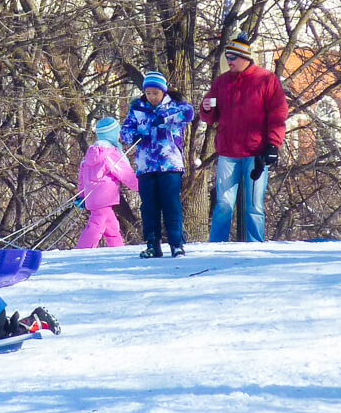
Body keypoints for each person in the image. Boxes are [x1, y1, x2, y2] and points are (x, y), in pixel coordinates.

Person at [200, 34, 288, 242]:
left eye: (232, 57)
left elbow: (278, 114)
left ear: (245, 57)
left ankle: (255, 244)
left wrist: (273, 145)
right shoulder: (221, 82)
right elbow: (210, 116)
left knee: (254, 205)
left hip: (255, 153)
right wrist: (205, 109)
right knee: (223, 203)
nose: (228, 61)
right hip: (228, 153)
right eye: (227, 57)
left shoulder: (266, 79)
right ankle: (216, 245)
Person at [121, 71, 195, 258]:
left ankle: (176, 243)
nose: (152, 97)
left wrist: (163, 119)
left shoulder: (175, 106)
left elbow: (188, 114)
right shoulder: (138, 109)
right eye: (149, 93)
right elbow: (125, 132)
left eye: (156, 93)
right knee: (149, 206)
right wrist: (136, 135)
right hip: (146, 165)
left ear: (163, 91)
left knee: (171, 204)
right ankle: (152, 244)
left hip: (169, 164)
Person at [75, 117, 139, 249]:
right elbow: (125, 173)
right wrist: (141, 186)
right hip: (104, 197)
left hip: (92, 197)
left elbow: (82, 175)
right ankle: (82, 250)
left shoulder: (91, 153)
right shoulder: (110, 153)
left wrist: (81, 195)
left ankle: (118, 249)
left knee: (112, 226)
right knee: (96, 225)